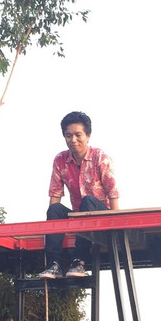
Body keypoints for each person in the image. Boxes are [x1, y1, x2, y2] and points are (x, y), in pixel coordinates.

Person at [39, 111, 119, 279]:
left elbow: (112, 193)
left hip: (100, 214)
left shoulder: (100, 158)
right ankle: (54, 264)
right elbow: (55, 194)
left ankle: (79, 260)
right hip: (78, 216)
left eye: (78, 135)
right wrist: (53, 226)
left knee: (88, 201)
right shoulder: (60, 160)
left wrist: (116, 227)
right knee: (55, 209)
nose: (73, 140)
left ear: (88, 135)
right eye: (68, 136)